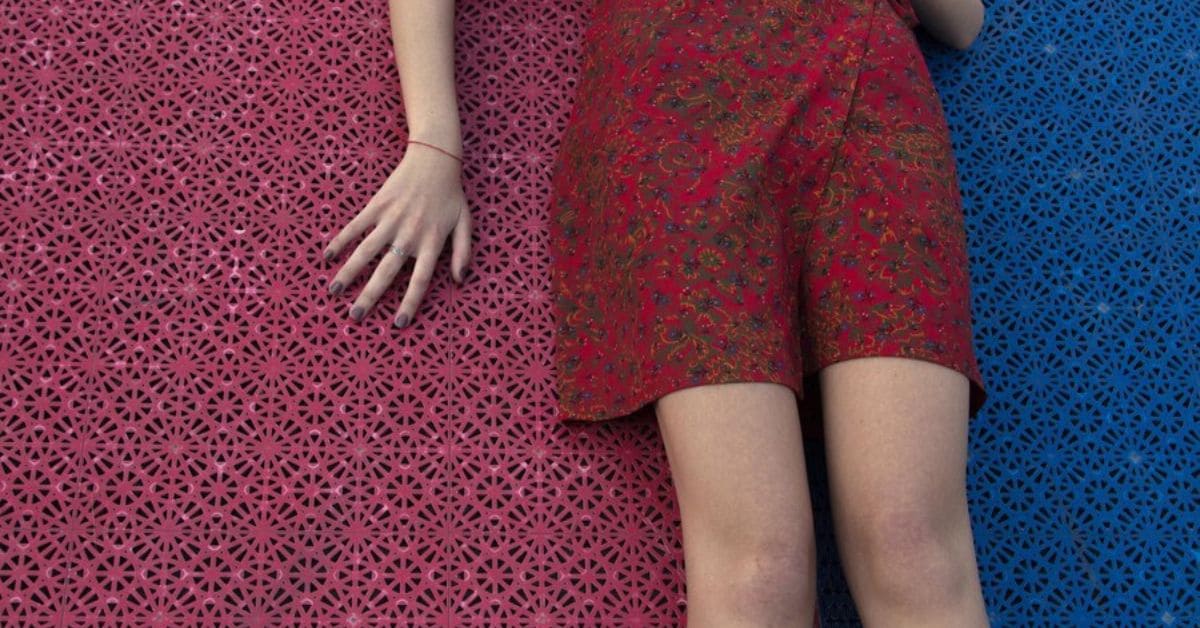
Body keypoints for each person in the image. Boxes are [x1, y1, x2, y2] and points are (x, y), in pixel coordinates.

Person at [322, 0, 990, 625]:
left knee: (914, 549)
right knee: (761, 572)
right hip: (678, 108)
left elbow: (963, 19)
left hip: (867, 94)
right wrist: (436, 141)